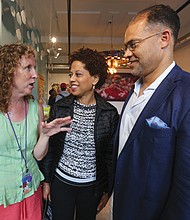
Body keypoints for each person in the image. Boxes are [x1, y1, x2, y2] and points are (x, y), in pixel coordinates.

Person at [113, 4, 190, 220]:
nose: (126, 54)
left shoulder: (186, 93)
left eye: (133, 45)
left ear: (164, 38)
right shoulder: (134, 88)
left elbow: (185, 189)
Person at [40, 47, 119, 220]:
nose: (72, 79)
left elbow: (109, 156)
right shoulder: (60, 108)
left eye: (78, 74)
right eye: (70, 74)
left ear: (95, 79)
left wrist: (107, 190)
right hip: (61, 182)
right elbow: (51, 148)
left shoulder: (109, 113)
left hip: (91, 187)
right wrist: (46, 181)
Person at [0, 43, 72, 220]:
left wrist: (46, 136)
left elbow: (38, 156)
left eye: (34, 68)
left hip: (31, 190)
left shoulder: (35, 108)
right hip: (4, 196)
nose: (34, 75)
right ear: (8, 73)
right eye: (27, 68)